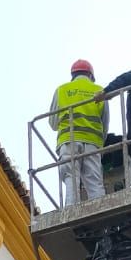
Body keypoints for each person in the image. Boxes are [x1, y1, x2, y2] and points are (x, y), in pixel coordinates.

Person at [48, 59, 107, 205]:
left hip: (68, 140)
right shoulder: (99, 90)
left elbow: (53, 123)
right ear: (91, 76)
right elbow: (104, 122)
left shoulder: (62, 90)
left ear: (72, 75)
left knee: (70, 177)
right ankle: (99, 207)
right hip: (92, 142)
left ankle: (71, 210)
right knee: (94, 179)